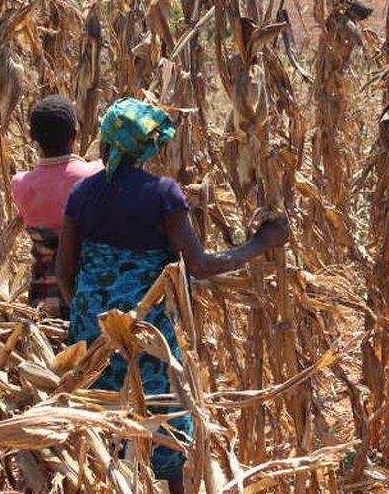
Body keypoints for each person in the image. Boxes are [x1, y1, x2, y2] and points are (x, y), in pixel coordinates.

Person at [56, 98, 290, 493]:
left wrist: (87, 313)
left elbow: (64, 270)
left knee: (98, 420)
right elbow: (198, 265)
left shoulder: (82, 193)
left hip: (92, 331)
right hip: (146, 332)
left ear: (107, 141)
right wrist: (260, 243)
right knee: (164, 414)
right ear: (147, 146)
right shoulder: (162, 193)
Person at [11, 94, 102, 319]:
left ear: (33, 138)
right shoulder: (95, 173)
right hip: (89, 295)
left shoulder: (21, 183)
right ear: (75, 134)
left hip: (45, 298)